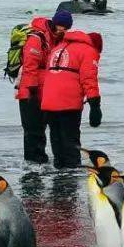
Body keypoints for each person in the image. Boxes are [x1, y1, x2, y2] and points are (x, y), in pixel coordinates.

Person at [41, 26, 102, 168]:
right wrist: (95, 105)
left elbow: (48, 75)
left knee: (56, 139)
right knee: (71, 141)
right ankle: (71, 176)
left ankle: (59, 171)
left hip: (48, 101)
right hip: (68, 102)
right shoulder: (88, 50)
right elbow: (89, 79)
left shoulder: (58, 47)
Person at [15, 11, 70, 163]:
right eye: (62, 26)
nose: (63, 30)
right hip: (30, 92)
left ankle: (39, 161)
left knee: (41, 129)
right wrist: (32, 88)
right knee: (33, 130)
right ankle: (33, 163)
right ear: (54, 23)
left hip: (44, 92)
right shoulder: (36, 38)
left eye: (67, 28)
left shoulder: (55, 39)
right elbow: (30, 67)